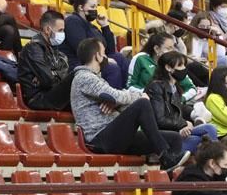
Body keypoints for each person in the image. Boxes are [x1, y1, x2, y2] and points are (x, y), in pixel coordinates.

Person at [70, 38, 189, 169]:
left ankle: (168, 179)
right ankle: (164, 156)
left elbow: (116, 99)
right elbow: (115, 95)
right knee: (142, 103)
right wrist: (138, 95)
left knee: (174, 138)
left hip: (116, 135)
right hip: (100, 138)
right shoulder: (85, 77)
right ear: (97, 56)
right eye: (104, 53)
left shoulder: (95, 78)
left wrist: (115, 103)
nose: (106, 57)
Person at [145, 51, 217, 153]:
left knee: (210, 128)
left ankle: (215, 160)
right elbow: (159, 120)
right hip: (164, 136)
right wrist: (183, 124)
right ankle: (215, 160)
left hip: (177, 131)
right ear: (168, 68)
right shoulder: (156, 87)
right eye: (180, 65)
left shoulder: (176, 88)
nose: (184, 69)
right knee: (201, 141)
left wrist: (185, 126)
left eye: (184, 65)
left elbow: (177, 112)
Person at [60, 0, 125, 89]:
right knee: (112, 68)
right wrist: (104, 60)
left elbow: (110, 50)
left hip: (96, 60)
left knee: (119, 57)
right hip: (78, 64)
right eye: (92, 6)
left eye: (96, 7)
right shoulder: (72, 21)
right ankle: (110, 100)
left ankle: (124, 94)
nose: (95, 10)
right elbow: (82, 49)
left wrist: (105, 26)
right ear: (81, 7)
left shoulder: (92, 26)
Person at [17, 9, 73, 112]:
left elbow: (63, 72)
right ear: (48, 30)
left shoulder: (54, 49)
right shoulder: (33, 48)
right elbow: (48, 80)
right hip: (38, 97)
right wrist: (55, 74)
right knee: (77, 75)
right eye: (60, 30)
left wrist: (53, 73)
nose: (63, 33)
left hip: (50, 93)